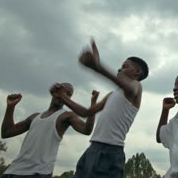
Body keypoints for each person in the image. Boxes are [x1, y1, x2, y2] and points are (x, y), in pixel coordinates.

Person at [61, 39, 149, 178]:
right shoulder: (112, 95)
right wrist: (63, 98)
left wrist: (98, 67)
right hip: (92, 149)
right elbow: (86, 112)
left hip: (110, 151)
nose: (120, 69)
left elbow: (130, 89)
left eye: (125, 66)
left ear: (137, 72)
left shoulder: (136, 86)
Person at [1, 83, 98, 178]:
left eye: (69, 94)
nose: (65, 95)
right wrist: (10, 107)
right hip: (13, 171)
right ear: (55, 91)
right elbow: (6, 132)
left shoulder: (66, 116)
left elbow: (86, 130)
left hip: (38, 173)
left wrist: (93, 105)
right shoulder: (34, 117)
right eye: (63, 91)